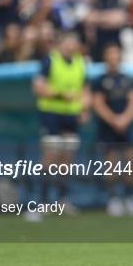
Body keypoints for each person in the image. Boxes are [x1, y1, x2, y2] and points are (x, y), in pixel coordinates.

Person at [31, 33, 92, 222]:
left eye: (74, 42)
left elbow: (84, 89)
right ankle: (40, 202)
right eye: (68, 42)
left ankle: (62, 200)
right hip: (52, 115)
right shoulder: (49, 61)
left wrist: (83, 107)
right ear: (60, 43)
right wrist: (60, 94)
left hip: (70, 116)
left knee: (67, 160)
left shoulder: (80, 62)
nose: (71, 46)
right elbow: (38, 87)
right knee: (50, 158)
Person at [92, 43, 133, 216]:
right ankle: (113, 199)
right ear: (105, 58)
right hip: (107, 128)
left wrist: (124, 119)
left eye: (116, 54)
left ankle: (130, 199)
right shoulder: (99, 81)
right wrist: (114, 120)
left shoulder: (128, 80)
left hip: (126, 128)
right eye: (110, 54)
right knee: (111, 165)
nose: (113, 58)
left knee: (131, 163)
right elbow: (97, 103)